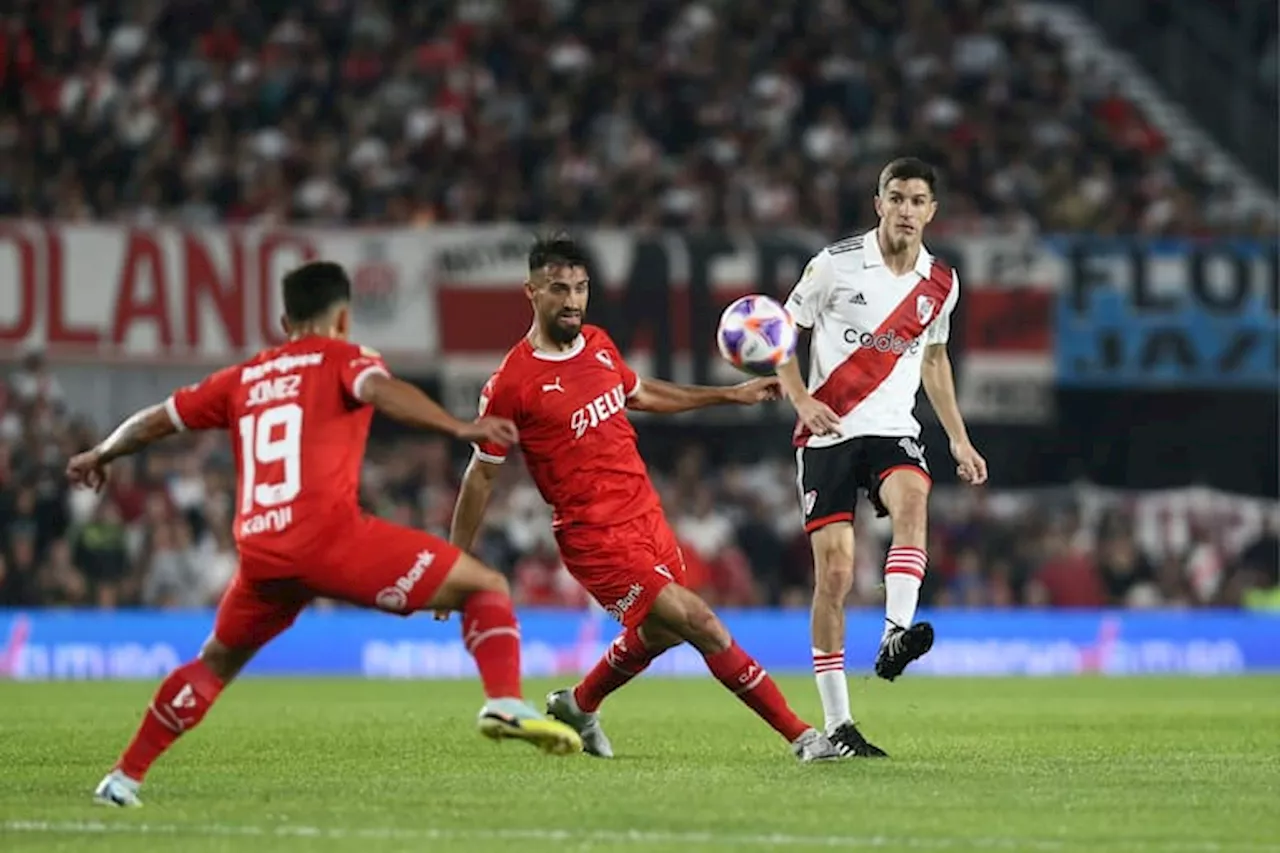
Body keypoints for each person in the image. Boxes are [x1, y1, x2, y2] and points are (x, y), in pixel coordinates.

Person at [67, 261, 582, 808]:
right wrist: (460, 426)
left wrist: (102, 453)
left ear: (285, 319)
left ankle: (123, 778)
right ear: (343, 316)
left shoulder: (241, 378)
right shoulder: (344, 358)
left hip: (261, 553)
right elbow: (380, 391)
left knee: (214, 663)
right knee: (486, 588)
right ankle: (503, 700)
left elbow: (156, 419)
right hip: (328, 541)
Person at [447, 235, 842, 763]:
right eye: (559, 288)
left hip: (646, 516)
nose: (572, 300)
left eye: (581, 288)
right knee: (701, 622)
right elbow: (482, 475)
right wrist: (454, 561)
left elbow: (642, 393)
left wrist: (729, 394)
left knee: (660, 632)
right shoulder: (511, 384)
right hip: (594, 536)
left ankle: (579, 703)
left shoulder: (600, 344)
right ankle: (804, 737)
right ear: (532, 292)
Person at [777, 157, 989, 757]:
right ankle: (839, 724)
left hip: (893, 428)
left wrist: (958, 437)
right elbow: (780, 338)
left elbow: (935, 361)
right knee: (837, 575)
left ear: (931, 211)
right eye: (896, 197)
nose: (905, 209)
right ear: (879, 203)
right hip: (827, 433)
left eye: (917, 200)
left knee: (914, 497)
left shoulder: (940, 283)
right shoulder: (834, 265)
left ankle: (897, 633)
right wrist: (800, 399)